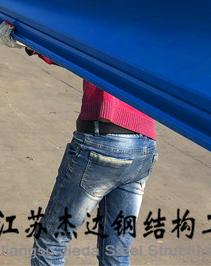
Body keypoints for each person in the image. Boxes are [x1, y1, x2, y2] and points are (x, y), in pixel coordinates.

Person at [32, 75, 157, 266]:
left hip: (103, 140)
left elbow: (70, 54)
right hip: (144, 148)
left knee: (51, 241)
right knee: (116, 253)